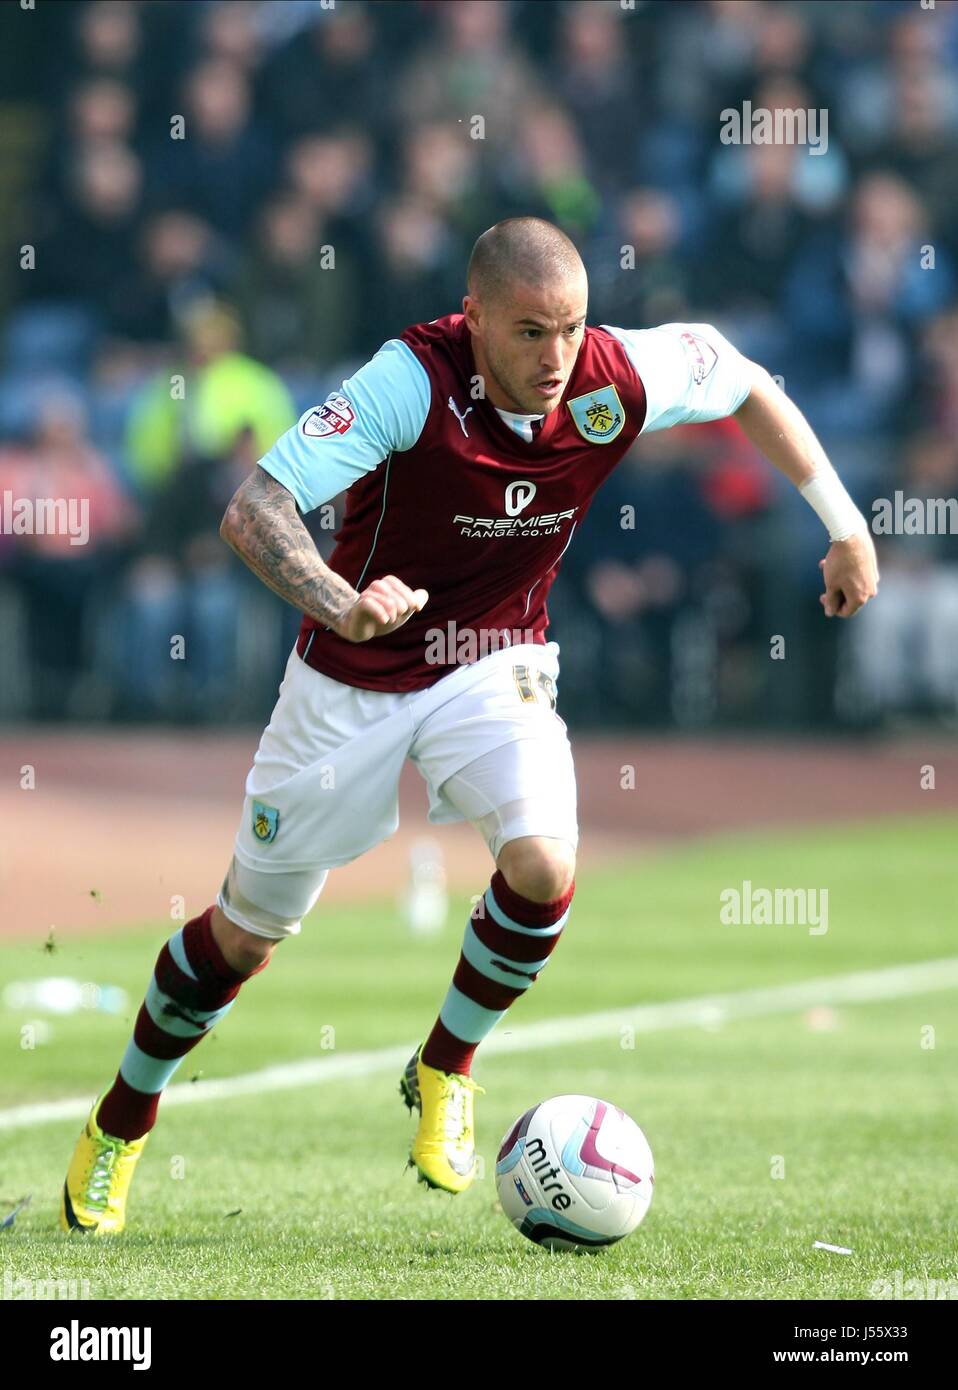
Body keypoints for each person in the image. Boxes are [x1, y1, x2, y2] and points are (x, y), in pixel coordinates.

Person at [60, 217, 879, 1234]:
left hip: (494, 661)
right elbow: (255, 509)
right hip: (350, 677)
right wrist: (334, 600)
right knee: (243, 935)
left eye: (570, 328)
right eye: (529, 332)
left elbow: (751, 381)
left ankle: (446, 1064)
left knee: (542, 867)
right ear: (475, 313)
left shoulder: (615, 375)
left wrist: (844, 526)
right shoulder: (408, 380)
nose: (554, 357)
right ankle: (119, 1123)